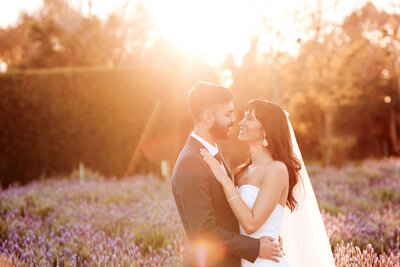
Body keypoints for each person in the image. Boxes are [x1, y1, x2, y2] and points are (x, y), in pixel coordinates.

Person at [200, 99, 336, 267]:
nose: (241, 122)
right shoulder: (241, 171)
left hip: (266, 262)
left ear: (266, 130)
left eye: (249, 118)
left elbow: (250, 224)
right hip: (244, 259)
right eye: (244, 117)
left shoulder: (277, 170)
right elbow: (232, 218)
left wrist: (225, 181)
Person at [171, 83, 283, 267]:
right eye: (228, 114)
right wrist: (255, 247)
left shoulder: (214, 155)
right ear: (208, 117)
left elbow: (228, 215)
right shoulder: (191, 162)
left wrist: (263, 235)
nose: (235, 119)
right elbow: (204, 232)